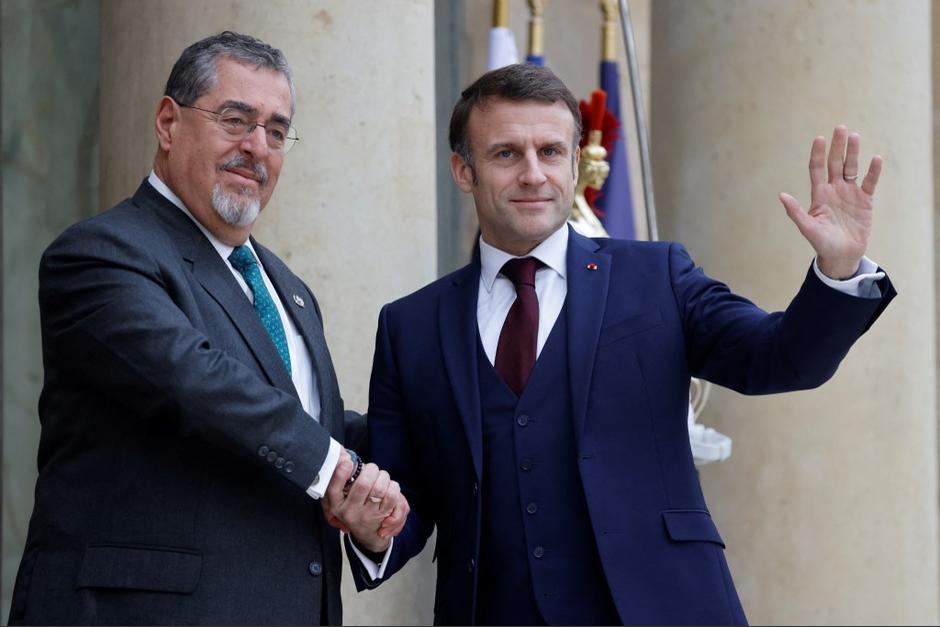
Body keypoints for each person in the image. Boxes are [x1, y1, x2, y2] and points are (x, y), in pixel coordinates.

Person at [339, 63, 896, 625]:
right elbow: (402, 497)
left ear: (575, 161)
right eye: (507, 154)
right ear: (464, 170)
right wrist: (373, 529)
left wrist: (839, 268)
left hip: (664, 607)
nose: (534, 174)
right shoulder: (410, 325)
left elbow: (780, 359)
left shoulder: (658, 276)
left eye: (551, 152)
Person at [8, 31, 406, 626]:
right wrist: (341, 471)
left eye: (276, 131)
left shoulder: (288, 289)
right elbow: (198, 380)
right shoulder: (100, 255)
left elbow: (308, 427)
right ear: (168, 123)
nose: (257, 146)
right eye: (235, 119)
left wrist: (396, 473)